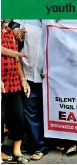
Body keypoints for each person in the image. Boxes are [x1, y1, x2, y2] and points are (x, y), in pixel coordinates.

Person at [12, 20, 49, 160]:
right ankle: (39, 146)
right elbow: (16, 36)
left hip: (51, 76)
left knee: (50, 111)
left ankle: (53, 141)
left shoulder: (59, 17)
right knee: (31, 111)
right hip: (28, 74)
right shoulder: (24, 17)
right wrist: (18, 35)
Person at [1, 19, 30, 164]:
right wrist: (16, 54)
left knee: (18, 117)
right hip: (1, 84)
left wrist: (23, 80)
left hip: (13, 84)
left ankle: (17, 151)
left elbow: (17, 61)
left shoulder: (10, 33)